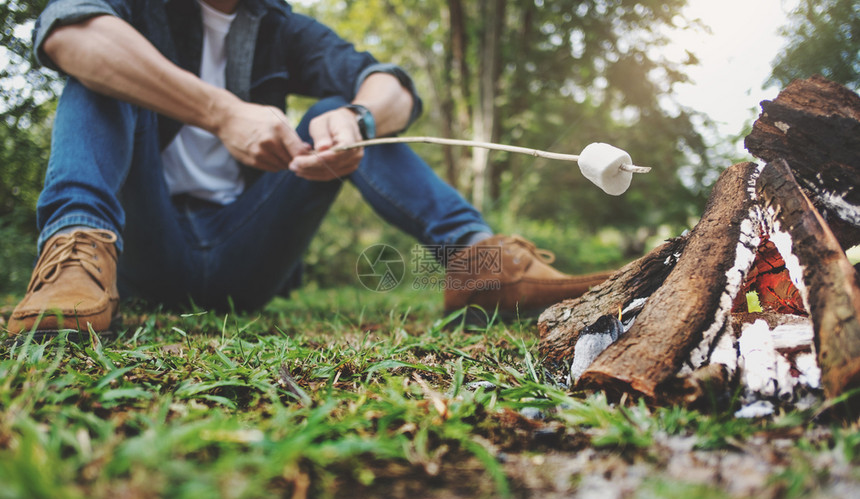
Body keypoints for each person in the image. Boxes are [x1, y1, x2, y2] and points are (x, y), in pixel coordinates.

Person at [7, 0, 611, 335]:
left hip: (248, 258)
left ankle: (478, 263)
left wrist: (358, 120)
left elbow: (392, 87)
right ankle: (76, 253)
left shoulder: (283, 27)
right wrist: (220, 112)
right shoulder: (132, 5)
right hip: (143, 248)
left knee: (336, 111)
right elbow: (68, 34)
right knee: (101, 69)